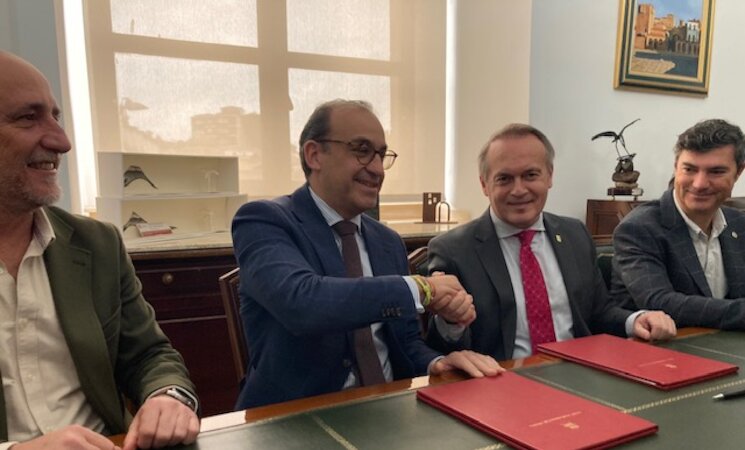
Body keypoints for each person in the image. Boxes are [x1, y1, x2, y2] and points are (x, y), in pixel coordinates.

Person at [231, 99, 502, 409]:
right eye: (361, 150)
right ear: (314, 154)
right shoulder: (264, 220)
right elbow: (302, 303)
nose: (376, 169)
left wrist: (436, 363)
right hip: (293, 417)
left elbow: (405, 343)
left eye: (381, 155)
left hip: (388, 410)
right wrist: (422, 288)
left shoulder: (387, 241)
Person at [0, 51, 199, 450]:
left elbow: (149, 355)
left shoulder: (99, 244)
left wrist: (168, 396)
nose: (62, 142)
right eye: (28, 118)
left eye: (56, 117)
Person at [426, 123, 676, 360]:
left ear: (549, 176)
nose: (519, 190)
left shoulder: (575, 234)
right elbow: (439, 350)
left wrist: (636, 320)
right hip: (500, 379)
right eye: (504, 179)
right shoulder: (453, 251)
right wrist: (451, 322)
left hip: (578, 372)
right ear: (484, 184)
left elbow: (600, 313)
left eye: (530, 175)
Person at [611, 119, 745, 329]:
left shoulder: (739, 224)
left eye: (716, 171)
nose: (699, 184)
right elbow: (660, 303)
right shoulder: (638, 228)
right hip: (659, 347)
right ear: (675, 167)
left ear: (738, 172)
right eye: (689, 169)